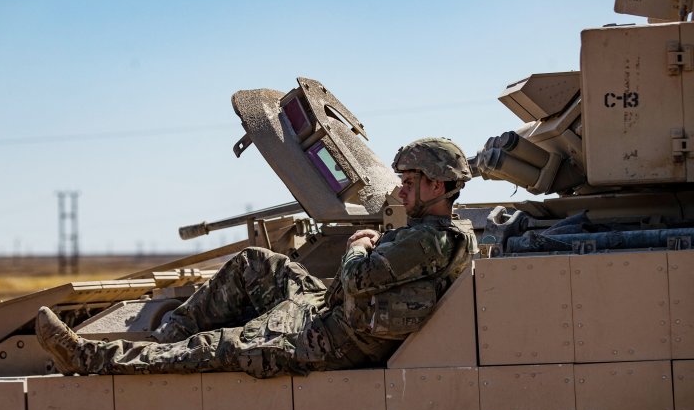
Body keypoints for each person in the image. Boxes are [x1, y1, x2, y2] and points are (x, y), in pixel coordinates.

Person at [36, 137, 477, 378]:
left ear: (437, 187)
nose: (400, 189)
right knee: (256, 263)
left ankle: (88, 359)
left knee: (221, 347)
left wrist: (358, 246)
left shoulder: (429, 241)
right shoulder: (437, 234)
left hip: (328, 342)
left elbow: (360, 278)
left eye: (410, 180)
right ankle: (170, 337)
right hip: (329, 312)